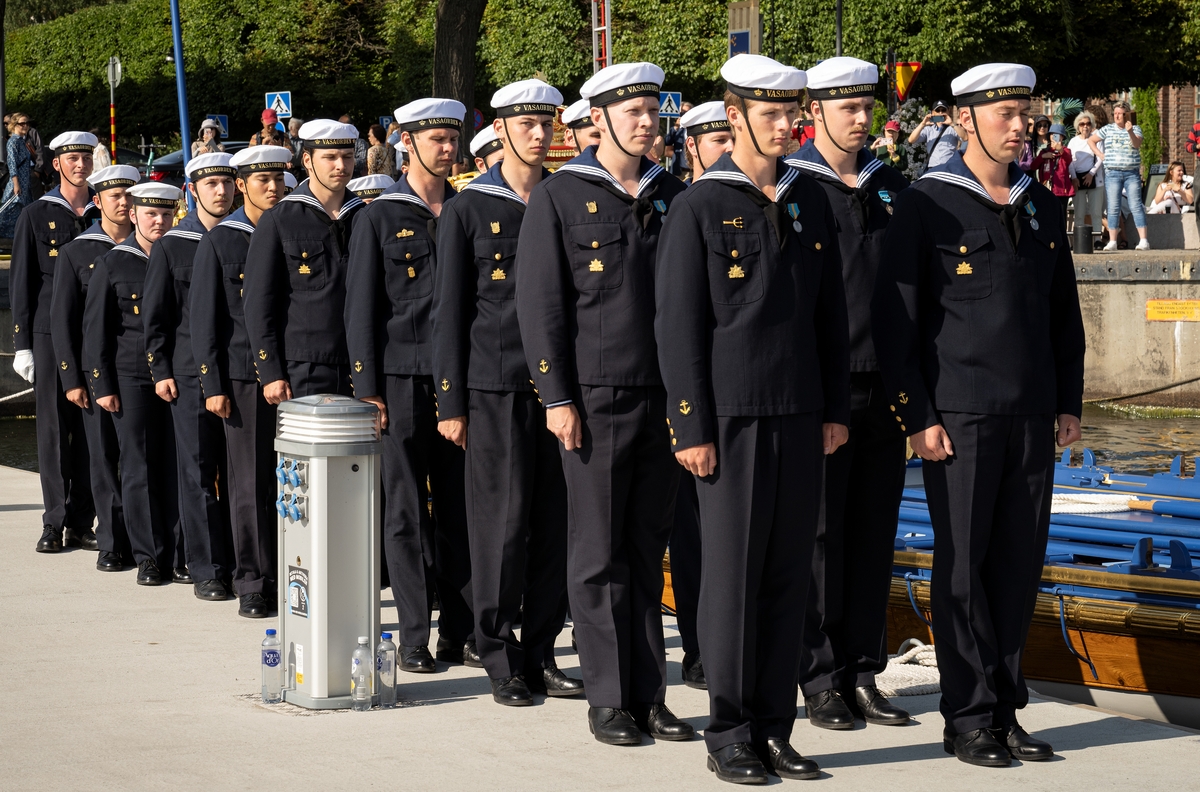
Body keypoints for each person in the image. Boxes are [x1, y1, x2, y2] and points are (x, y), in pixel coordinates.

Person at [872, 62, 1086, 768]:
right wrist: (916, 415)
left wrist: (1067, 403)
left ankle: (1004, 706)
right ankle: (966, 718)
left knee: (1019, 566)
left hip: (1029, 413)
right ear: (965, 120)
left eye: (1025, 114)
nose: (1020, 127)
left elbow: (1063, 316)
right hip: (958, 415)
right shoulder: (926, 204)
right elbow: (897, 323)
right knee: (962, 567)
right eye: (1006, 115)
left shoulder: (1038, 204)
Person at [656, 53, 848, 784]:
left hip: (800, 412)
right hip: (730, 421)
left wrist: (833, 409)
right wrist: (690, 427)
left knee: (787, 577)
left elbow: (831, 316)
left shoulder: (810, 198)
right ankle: (730, 730)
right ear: (734, 118)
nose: (786, 125)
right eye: (771, 113)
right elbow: (679, 327)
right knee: (732, 581)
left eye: (791, 113)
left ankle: (774, 725)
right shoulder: (700, 205)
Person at [515, 61, 693, 747]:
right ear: (598, 122)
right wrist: (556, 395)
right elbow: (541, 307)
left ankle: (649, 694)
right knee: (597, 553)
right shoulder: (561, 198)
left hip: (663, 397)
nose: (647, 121)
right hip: (592, 398)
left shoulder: (674, 195)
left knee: (649, 551)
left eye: (653, 109)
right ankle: (609, 696)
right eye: (633, 111)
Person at [431, 78, 584, 707]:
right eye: (527, 127)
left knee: (556, 524)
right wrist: (451, 403)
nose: (540, 137)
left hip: (560, 387)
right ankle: (496, 650)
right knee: (501, 523)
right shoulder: (471, 208)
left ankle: (543, 647)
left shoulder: (562, 198)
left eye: (547, 126)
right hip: (494, 387)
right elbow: (449, 311)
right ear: (500, 132)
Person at [785, 55, 913, 735]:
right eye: (847, 108)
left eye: (867, 107)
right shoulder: (795, 186)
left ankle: (863, 670)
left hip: (884, 386)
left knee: (872, 534)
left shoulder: (889, 185)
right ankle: (820, 675)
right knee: (821, 538)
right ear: (816, 114)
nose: (862, 119)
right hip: (823, 385)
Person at [344, 98, 477, 674]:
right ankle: (415, 635)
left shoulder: (469, 210)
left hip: (464, 381)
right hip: (400, 381)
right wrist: (368, 388)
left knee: (462, 509)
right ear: (407, 143)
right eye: (437, 139)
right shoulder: (378, 215)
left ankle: (462, 631)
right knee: (402, 513)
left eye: (454, 138)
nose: (447, 149)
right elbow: (361, 309)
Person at [191, 145, 293, 618]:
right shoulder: (222, 240)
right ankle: (253, 578)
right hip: (243, 378)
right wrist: (212, 384)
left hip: (296, 373)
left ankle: (296, 571)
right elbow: (205, 320)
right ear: (242, 186)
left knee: (296, 483)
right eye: (261, 181)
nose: (273, 188)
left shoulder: (297, 226)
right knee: (248, 483)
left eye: (278, 179)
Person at [662, 99, 735, 696]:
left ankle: (715, 647)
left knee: (721, 533)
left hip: (723, 391)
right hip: (667, 387)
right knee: (685, 528)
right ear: (693, 148)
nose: (724, 153)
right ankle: (694, 643)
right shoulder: (674, 204)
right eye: (714, 144)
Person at [143, 152, 238, 600]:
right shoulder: (173, 245)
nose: (221, 191)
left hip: (240, 372)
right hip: (187, 375)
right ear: (193, 191)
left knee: (242, 475)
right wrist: (160, 368)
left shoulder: (248, 238)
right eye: (211, 184)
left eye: (227, 183)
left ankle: (245, 563)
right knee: (198, 474)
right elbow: (157, 317)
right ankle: (206, 568)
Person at [84, 182, 186, 586]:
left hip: (178, 376)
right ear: (134, 216)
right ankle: (149, 556)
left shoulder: (182, 255)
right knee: (138, 467)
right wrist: (102, 384)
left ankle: (180, 553)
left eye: (165, 214)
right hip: (131, 379)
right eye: (150, 214)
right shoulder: (113, 264)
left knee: (178, 466)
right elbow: (96, 333)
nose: (158, 221)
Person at [9, 130, 101, 553]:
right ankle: (54, 520)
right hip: (49, 335)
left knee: (89, 432)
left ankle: (82, 521)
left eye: (85, 156)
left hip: (95, 336)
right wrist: (22, 343)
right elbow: (22, 284)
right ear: (57, 164)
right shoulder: (36, 214)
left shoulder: (105, 214)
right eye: (72, 158)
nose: (80, 164)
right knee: (52, 430)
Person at [51, 164, 138, 572]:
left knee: (142, 458)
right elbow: (62, 322)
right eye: (114, 196)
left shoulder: (153, 247)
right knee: (102, 459)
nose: (123, 203)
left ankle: (145, 541)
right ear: (97, 201)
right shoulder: (77, 252)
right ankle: (111, 542)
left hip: (142, 369)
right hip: (95, 373)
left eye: (128, 195)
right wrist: (71, 378)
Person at [243, 119, 365, 403]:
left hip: (362, 362)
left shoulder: (366, 216)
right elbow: (258, 302)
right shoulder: (280, 219)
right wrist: (270, 371)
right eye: (330, 157)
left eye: (347, 157)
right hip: (305, 366)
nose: (341, 165)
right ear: (308, 160)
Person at [1089, 100, 1149, 251]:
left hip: (1131, 173)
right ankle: (1113, 241)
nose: (1116, 116)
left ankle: (1143, 240)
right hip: (1113, 172)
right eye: (1115, 113)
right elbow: (1091, 141)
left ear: (1126, 114)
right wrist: (1101, 155)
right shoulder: (1107, 129)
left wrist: (1129, 131)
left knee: (1136, 206)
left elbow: (1136, 144)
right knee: (1113, 207)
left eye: (1120, 114)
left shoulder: (1136, 129)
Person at [1068, 112, 1104, 230]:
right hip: (1078, 180)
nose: (1085, 126)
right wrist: (1074, 178)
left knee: (1096, 212)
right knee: (1079, 213)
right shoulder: (1073, 142)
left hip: (1095, 179)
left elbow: (1100, 157)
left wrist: (1091, 174)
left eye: (1088, 123)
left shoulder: (1097, 139)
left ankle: (1097, 240)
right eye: (1082, 124)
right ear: (1078, 126)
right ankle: (1079, 240)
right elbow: (1070, 161)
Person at [1, 115, 36, 237]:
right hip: (17, 182)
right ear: (14, 125)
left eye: (27, 123)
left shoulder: (22, 141)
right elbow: (12, 163)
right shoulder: (13, 142)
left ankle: (19, 237)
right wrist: (16, 183)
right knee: (8, 210)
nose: (26, 125)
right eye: (22, 123)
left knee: (23, 211)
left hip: (25, 182)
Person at [1032, 123, 1075, 213]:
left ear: (1062, 137)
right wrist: (1043, 156)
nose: (1054, 136)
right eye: (1052, 134)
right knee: (1047, 215)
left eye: (1057, 134)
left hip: (1062, 191)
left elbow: (1069, 159)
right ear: (1049, 136)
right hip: (1047, 188)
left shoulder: (1066, 150)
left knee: (1061, 217)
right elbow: (1033, 166)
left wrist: (1061, 150)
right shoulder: (1044, 151)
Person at [908, 100, 960, 171]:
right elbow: (911, 140)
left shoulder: (953, 129)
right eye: (938, 110)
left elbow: (965, 138)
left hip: (949, 168)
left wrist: (952, 124)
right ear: (933, 113)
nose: (940, 113)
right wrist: (922, 124)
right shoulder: (928, 130)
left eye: (943, 110)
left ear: (948, 111)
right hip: (933, 168)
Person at [663, 101, 692, 176]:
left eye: (686, 112)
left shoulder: (695, 128)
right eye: (682, 112)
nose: (684, 114)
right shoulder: (677, 130)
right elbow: (667, 141)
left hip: (693, 170)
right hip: (678, 170)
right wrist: (676, 127)